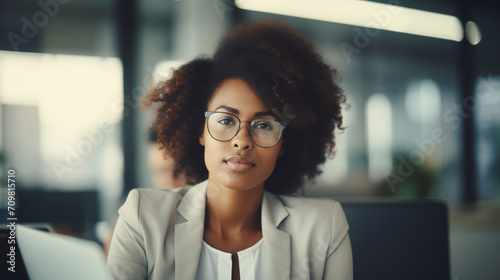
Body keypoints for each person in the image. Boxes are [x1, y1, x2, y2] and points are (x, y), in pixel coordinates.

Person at [107, 19, 352, 280]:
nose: (242, 140)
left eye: (264, 125)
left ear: (283, 144)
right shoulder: (142, 217)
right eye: (225, 120)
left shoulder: (324, 227)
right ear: (200, 131)